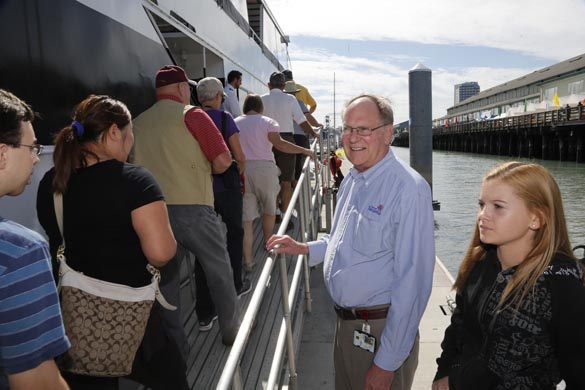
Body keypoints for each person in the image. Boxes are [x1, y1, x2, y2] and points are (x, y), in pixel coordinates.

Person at [267, 94, 435, 390]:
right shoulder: (353, 180)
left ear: (387, 133)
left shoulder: (408, 190)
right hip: (347, 327)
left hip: (381, 333)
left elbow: (414, 282)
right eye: (347, 128)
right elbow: (342, 241)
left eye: (363, 129)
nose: (352, 138)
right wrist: (305, 248)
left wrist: (386, 363)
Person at [35, 95, 187, 389]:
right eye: (130, 132)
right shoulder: (136, 180)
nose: (131, 141)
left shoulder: (53, 182)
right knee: (171, 378)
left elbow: (57, 236)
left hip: (77, 316)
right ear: (115, 132)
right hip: (134, 315)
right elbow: (161, 253)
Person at [432, 162, 585, 390]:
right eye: (481, 204)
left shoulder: (559, 282)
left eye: (498, 207)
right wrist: (442, 374)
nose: (483, 215)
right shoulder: (480, 262)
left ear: (536, 218)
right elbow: (459, 325)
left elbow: (578, 369)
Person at [131, 65, 240, 341]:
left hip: (154, 214)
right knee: (219, 272)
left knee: (166, 286)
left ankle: (176, 348)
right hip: (195, 209)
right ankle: (231, 332)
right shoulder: (194, 115)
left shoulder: (138, 122)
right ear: (182, 89)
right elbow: (224, 161)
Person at [0, 89, 70, 389]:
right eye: (31, 147)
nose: (34, 158)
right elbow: (39, 383)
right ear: (2, 154)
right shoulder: (20, 253)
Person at [235, 94, 313, 272]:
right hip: (265, 170)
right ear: (261, 107)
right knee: (270, 210)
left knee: (246, 219)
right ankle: (268, 242)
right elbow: (281, 145)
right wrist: (304, 150)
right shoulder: (268, 122)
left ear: (245, 107)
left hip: (243, 170)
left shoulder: (235, 122)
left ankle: (248, 261)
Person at [197, 77, 251, 316]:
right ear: (218, 96)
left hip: (200, 188)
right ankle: (237, 284)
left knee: (203, 244)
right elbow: (239, 156)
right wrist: (236, 176)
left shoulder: (190, 118)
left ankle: (205, 309)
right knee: (234, 234)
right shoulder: (224, 118)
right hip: (226, 187)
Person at [261, 72, 319, 218]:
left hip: (266, 141)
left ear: (269, 85)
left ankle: (273, 212)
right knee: (286, 181)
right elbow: (302, 122)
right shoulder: (290, 99)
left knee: (271, 181)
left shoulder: (261, 99)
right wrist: (313, 133)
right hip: (286, 140)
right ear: (283, 86)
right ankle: (286, 215)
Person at [283, 81, 323, 185]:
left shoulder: (280, 103)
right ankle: (298, 192)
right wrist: (316, 126)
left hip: (284, 137)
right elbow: (307, 117)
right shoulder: (298, 102)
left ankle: (290, 191)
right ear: (295, 93)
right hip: (299, 137)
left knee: (286, 169)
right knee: (299, 166)